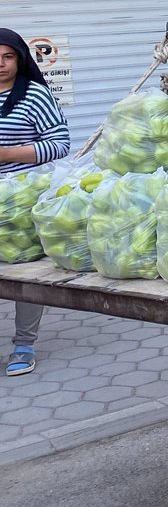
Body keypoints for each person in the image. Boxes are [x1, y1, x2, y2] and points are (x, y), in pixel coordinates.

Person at [0, 28, 70, 376]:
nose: (1, 65)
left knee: (22, 273)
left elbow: (59, 144)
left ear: (20, 59)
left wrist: (6, 154)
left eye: (8, 57)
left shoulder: (34, 96)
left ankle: (24, 345)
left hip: (21, 196)